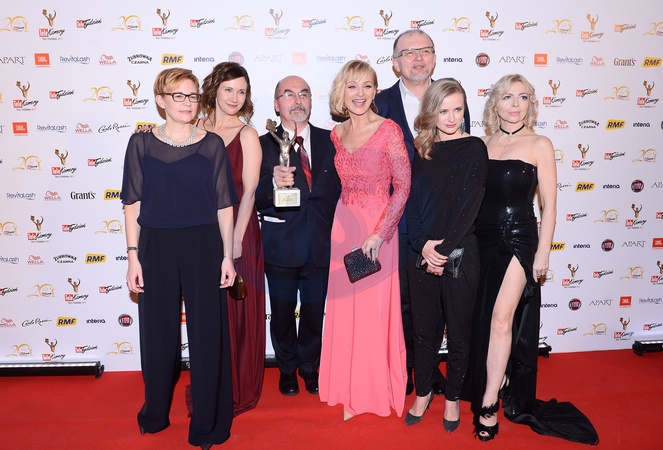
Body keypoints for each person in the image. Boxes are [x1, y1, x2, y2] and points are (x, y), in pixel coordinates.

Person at [467, 74, 598, 444]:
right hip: (481, 240)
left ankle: (489, 404)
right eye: (507, 97)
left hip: (518, 240)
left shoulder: (540, 144)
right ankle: (498, 377)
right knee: (483, 319)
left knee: (501, 317)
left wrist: (543, 252)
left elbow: (550, 206)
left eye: (522, 97)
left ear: (531, 104)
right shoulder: (481, 144)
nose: (515, 104)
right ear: (495, 103)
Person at [122, 68, 237, 449]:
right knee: (157, 335)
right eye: (178, 96)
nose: (187, 103)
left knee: (207, 335)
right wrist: (133, 257)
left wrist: (227, 256)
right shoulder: (140, 144)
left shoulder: (212, 145)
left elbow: (224, 206)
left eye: (192, 96)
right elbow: (132, 204)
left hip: (204, 245)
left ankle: (207, 424)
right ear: (160, 100)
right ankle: (155, 413)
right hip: (155, 246)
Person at [374, 29, 471, 396]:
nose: (418, 58)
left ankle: (430, 369)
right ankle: (409, 369)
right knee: (404, 302)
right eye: (408, 52)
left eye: (425, 51)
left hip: (444, 221)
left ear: (434, 57)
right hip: (397, 221)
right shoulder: (379, 103)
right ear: (395, 63)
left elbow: (462, 161)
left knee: (439, 301)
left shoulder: (452, 98)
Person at [319, 60, 410, 419]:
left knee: (373, 311)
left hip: (378, 230)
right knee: (345, 308)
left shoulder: (388, 130)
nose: (359, 94)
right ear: (341, 91)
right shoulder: (336, 133)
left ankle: (369, 392)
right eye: (352, 86)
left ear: (376, 91)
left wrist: (380, 233)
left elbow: (402, 186)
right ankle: (345, 385)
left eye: (367, 86)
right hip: (344, 227)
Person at [405, 79, 487, 431]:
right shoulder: (421, 151)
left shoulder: (474, 148)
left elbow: (470, 205)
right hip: (422, 254)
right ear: (431, 112)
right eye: (443, 110)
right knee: (423, 331)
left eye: (457, 109)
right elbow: (410, 202)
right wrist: (422, 244)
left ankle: (452, 397)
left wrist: (441, 249)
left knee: (458, 331)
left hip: (460, 252)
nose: (451, 118)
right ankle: (423, 392)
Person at [255, 75, 341, 397]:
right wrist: (273, 183)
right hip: (280, 246)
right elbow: (255, 198)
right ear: (277, 105)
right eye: (289, 95)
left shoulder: (332, 140)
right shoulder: (262, 144)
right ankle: (287, 368)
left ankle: (309, 367)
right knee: (281, 313)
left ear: (311, 102)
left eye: (304, 94)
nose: (297, 100)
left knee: (314, 314)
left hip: (321, 246)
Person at [198, 62, 265, 416]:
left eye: (241, 91)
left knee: (238, 310)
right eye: (228, 89)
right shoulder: (196, 128)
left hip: (240, 228)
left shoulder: (247, 135)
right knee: (208, 311)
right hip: (202, 227)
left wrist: (236, 238)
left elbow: (250, 191)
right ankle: (212, 382)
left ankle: (238, 387)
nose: (235, 97)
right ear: (214, 90)